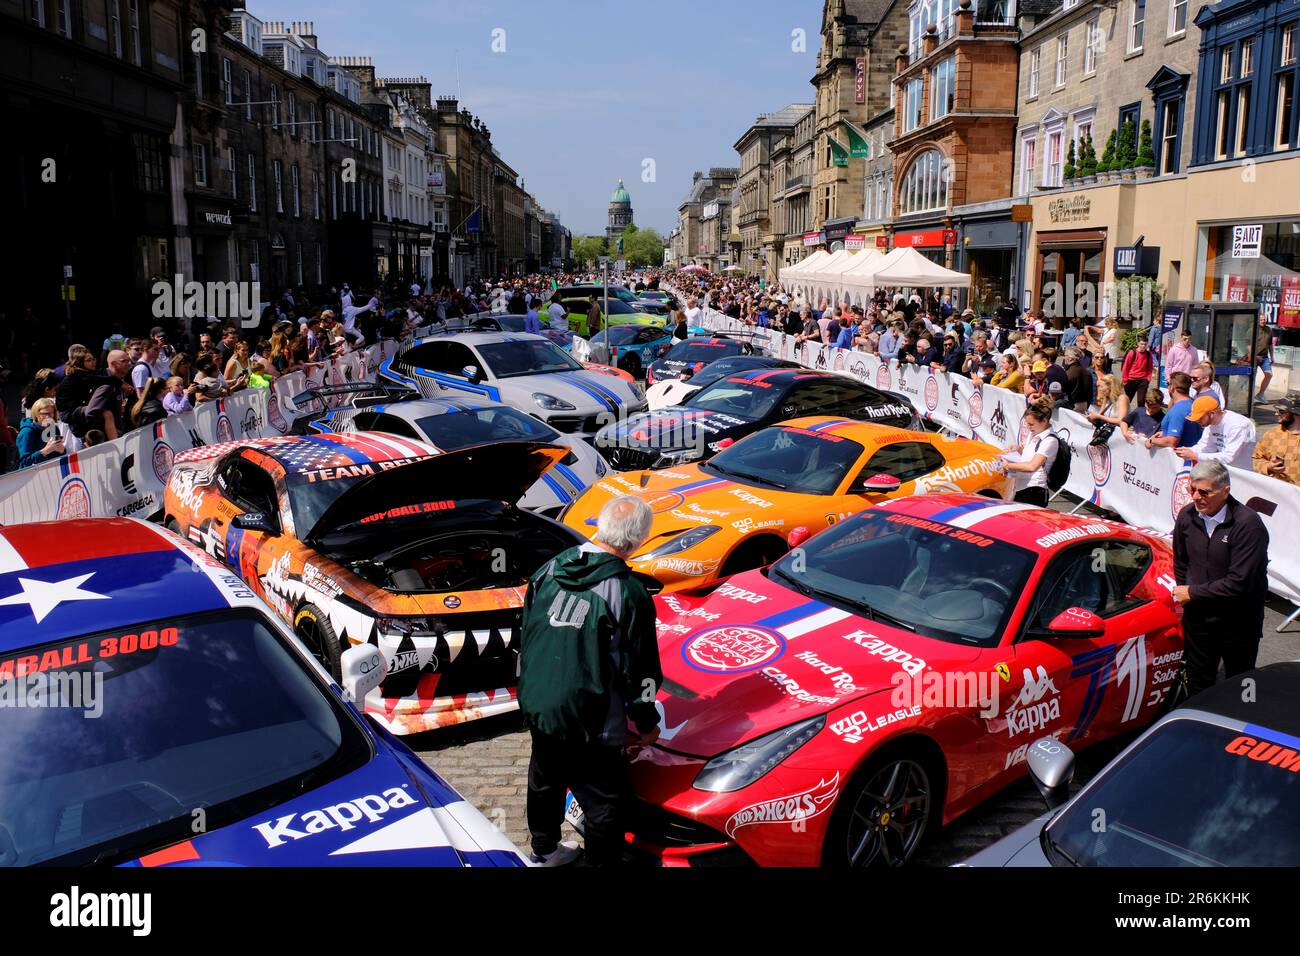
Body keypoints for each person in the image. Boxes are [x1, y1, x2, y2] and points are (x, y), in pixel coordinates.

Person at [518, 496, 662, 868]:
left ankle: (544, 851)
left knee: (545, 779)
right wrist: (647, 722)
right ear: (639, 540)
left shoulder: (548, 570)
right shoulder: (629, 592)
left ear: (600, 525)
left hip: (540, 704)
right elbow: (639, 668)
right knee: (603, 805)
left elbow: (528, 632)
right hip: (593, 721)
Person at [1172, 459, 1270, 697]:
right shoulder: (1187, 516)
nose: (1195, 497)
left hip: (1238, 622)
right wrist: (1188, 592)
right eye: (1191, 490)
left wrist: (1191, 593)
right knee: (1198, 681)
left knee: (1239, 684)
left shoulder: (1248, 525)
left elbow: (1240, 582)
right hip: (1199, 619)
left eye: (1204, 491)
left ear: (1225, 491)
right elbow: (1181, 562)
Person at [998, 399, 1059, 506]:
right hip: (1023, 486)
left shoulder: (1050, 440)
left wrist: (1008, 465)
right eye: (1027, 423)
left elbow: (1032, 466)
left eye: (1031, 424)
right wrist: (1018, 449)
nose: (1028, 427)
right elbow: (1031, 455)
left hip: (1034, 490)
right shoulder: (1036, 432)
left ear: (1044, 421)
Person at [1175, 395, 1257, 468]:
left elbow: (1229, 457)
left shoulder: (1238, 425)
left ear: (1212, 414)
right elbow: (1205, 447)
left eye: (1200, 417)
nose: (1197, 420)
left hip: (1245, 473)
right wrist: (1187, 451)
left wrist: (1195, 455)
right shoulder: (1210, 423)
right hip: (1228, 471)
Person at [1146, 372, 1202, 450]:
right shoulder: (1193, 403)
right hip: (1191, 455)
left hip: (1179, 459)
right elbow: (1186, 431)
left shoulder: (1178, 410)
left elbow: (1171, 441)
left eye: (1168, 384)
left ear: (1172, 387)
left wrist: (1152, 440)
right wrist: (1165, 432)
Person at [1252, 396, 1300, 484]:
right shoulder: (1271, 434)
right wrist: (1268, 467)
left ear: (1296, 414)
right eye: (1277, 410)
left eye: (1281, 411)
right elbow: (1256, 459)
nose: (1276, 414)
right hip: (1274, 492)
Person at [16, 398, 67, 468]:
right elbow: (24, 462)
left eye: (51, 413)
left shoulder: (53, 428)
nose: (48, 417)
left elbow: (56, 454)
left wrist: (62, 451)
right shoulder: (27, 432)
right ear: (36, 414)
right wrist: (45, 450)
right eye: (45, 413)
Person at [1120, 337, 1154, 406]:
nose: (1143, 346)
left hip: (1143, 380)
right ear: (1138, 343)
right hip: (1131, 380)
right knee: (1127, 401)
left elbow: (1150, 367)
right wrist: (1125, 380)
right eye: (1141, 344)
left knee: (1141, 401)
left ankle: (1140, 416)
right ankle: (1124, 415)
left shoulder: (1148, 354)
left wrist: (1148, 378)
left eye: (1145, 344)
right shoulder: (1132, 353)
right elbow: (1125, 367)